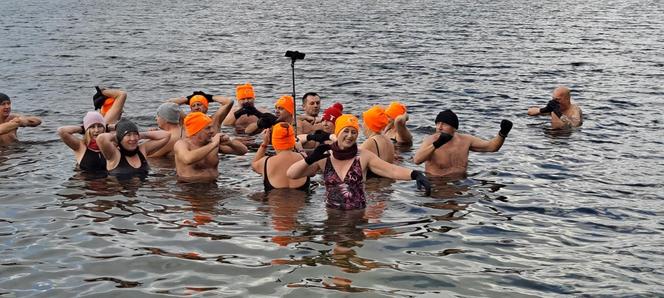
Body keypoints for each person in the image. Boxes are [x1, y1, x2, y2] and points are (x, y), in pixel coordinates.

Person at [287, 114, 431, 210]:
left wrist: (415, 174)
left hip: (357, 215)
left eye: (354, 132)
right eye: (346, 131)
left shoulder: (363, 156)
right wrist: (310, 159)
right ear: (337, 133)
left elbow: (391, 170)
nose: (350, 136)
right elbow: (292, 174)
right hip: (332, 216)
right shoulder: (325, 158)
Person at [413, 109, 513, 177]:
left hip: (461, 182)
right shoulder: (430, 140)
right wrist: (436, 144)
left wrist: (502, 133)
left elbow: (492, 147)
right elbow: (417, 160)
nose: (439, 127)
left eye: (444, 124)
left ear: (454, 128)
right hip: (437, 182)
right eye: (438, 123)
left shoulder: (465, 140)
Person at [174, 112, 248, 182]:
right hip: (189, 187)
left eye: (212, 127)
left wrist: (230, 143)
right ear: (196, 130)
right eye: (208, 128)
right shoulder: (181, 144)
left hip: (214, 185)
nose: (212, 131)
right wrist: (213, 144)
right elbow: (188, 159)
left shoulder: (212, 143)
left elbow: (243, 151)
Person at [96, 119, 170, 177]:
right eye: (128, 135)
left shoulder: (142, 149)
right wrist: (118, 134)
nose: (133, 138)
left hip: (142, 193)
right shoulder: (114, 155)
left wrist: (141, 135)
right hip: (121, 193)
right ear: (120, 138)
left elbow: (166, 135)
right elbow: (101, 138)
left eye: (135, 134)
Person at [251, 122, 309, 191]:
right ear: (293, 140)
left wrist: (264, 144)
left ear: (274, 141)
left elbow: (254, 165)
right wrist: (301, 150)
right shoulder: (304, 159)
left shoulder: (266, 163)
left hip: (274, 199)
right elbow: (313, 173)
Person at [169, 90, 234, 132]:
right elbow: (169, 104)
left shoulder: (214, 120)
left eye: (199, 104)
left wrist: (209, 97)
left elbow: (229, 101)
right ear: (191, 109)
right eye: (193, 106)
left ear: (206, 108)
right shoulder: (185, 120)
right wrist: (187, 99)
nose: (196, 108)